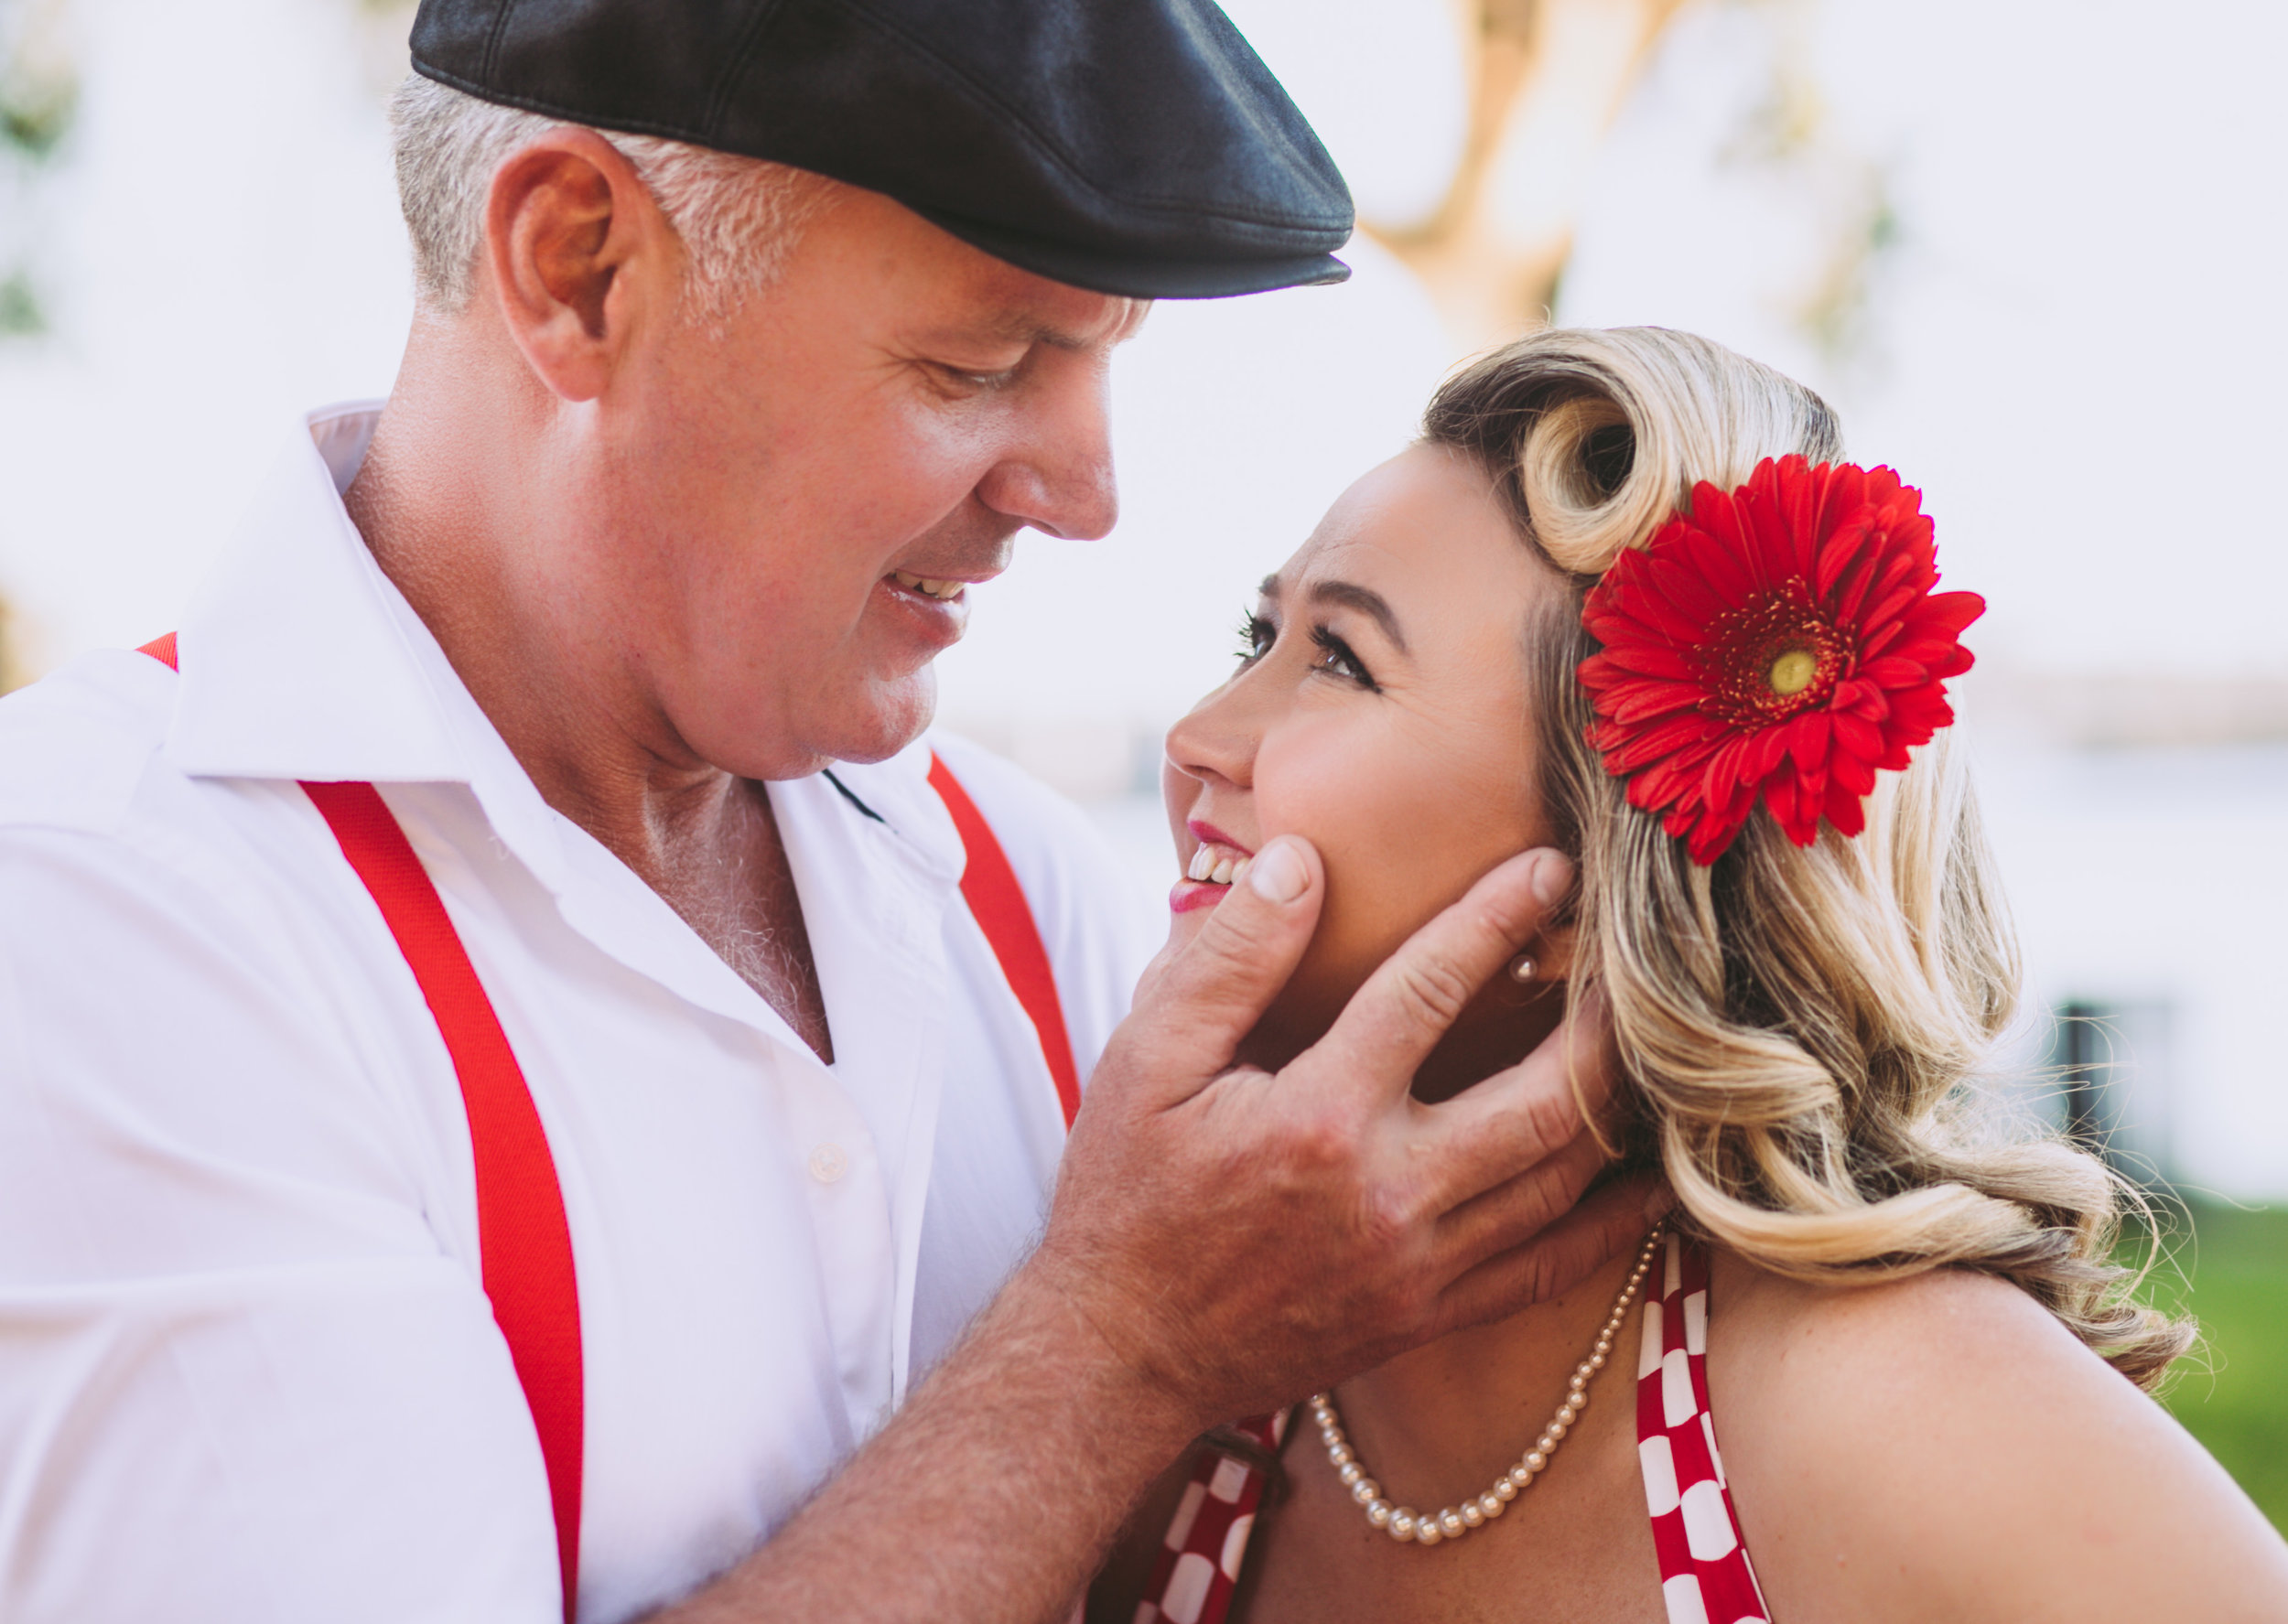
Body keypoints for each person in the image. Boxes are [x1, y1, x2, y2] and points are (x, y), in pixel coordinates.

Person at [0, 5, 1663, 1621]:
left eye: (1100, 361)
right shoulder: (94, 926)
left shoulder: (1021, 891)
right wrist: (1124, 1348)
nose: (1086, 497)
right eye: (982, 359)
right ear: (577, 266)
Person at [1099, 326, 2288, 1624]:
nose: (1198, 737)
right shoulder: (1165, 1380)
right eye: (1255, 637)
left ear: (1597, 871)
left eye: (1338, 659)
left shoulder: (1909, 1414)